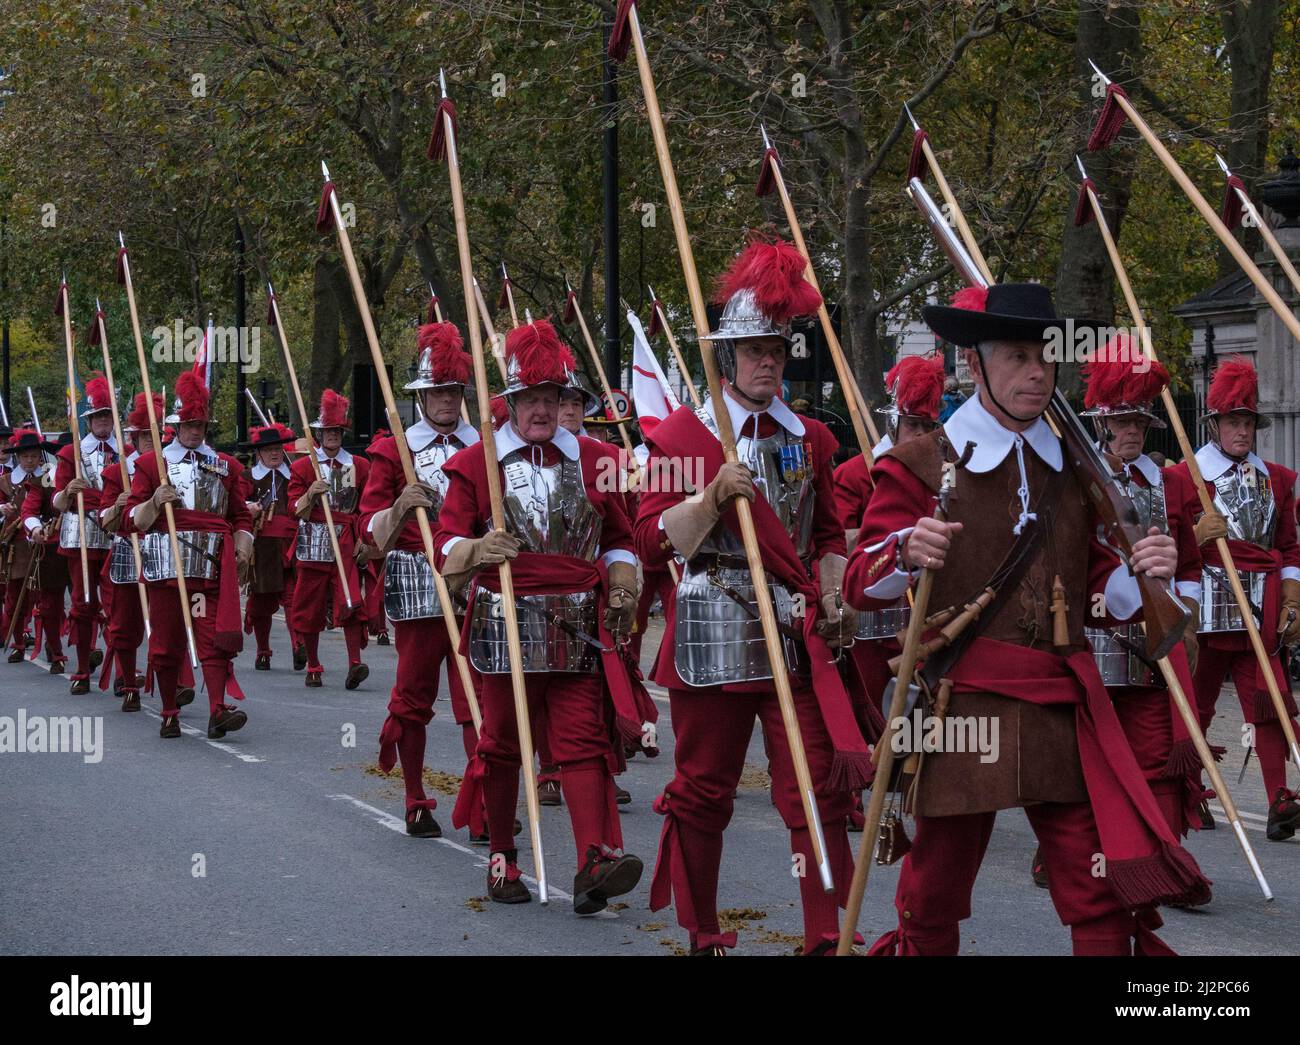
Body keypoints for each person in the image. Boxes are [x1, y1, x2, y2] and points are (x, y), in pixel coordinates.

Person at [845, 283, 1210, 955]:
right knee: (932, 893)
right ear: (974, 366)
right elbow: (859, 580)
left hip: (1055, 704)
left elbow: (1095, 577)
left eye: (1045, 356)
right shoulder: (921, 461)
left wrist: (1143, 572)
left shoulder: (1075, 468)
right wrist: (904, 548)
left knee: (1097, 890)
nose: (1038, 372)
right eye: (1017, 356)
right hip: (960, 704)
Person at [634, 235, 867, 955]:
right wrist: (708, 499)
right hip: (714, 622)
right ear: (727, 356)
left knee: (816, 786)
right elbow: (649, 540)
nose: (770, 359)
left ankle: (827, 932)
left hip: (795, 633)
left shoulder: (814, 440)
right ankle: (703, 928)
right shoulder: (680, 436)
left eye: (780, 346)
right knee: (705, 789)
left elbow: (829, 534)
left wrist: (833, 591)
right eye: (756, 347)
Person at [434, 317, 645, 914]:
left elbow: (620, 536)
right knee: (502, 745)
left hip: (580, 620)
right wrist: (476, 551)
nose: (542, 409)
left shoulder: (600, 458)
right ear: (511, 404)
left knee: (581, 743)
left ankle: (591, 861)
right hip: (503, 621)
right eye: (531, 399)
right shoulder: (478, 462)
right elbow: (445, 545)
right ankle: (502, 857)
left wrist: (624, 577)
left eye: (553, 398)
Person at [1169, 357, 1300, 840]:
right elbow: (1169, 546)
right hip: (1206, 604)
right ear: (1215, 425)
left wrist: (1292, 596)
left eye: (1247, 422)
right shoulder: (1185, 477)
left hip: (1261, 608)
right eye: (1233, 422)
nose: (1242, 431)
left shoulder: (1279, 480)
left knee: (1269, 702)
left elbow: (1287, 544)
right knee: (1196, 707)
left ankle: (1278, 798)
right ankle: (1190, 790)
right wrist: (1195, 537)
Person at [360, 321, 482, 838]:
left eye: (454, 391)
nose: (447, 401)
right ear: (422, 396)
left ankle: (483, 803)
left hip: (475, 580)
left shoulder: (486, 445)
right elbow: (367, 532)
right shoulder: (396, 450)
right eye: (438, 392)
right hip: (418, 581)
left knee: (480, 700)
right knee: (414, 696)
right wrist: (399, 508)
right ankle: (414, 796)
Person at [834, 353, 946, 828]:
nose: (920, 437)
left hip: (920, 615)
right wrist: (891, 541)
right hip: (870, 613)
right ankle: (859, 793)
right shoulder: (856, 473)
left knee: (915, 706)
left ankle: (906, 784)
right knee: (866, 709)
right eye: (912, 425)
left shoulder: (943, 473)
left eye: (928, 427)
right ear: (896, 424)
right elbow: (838, 543)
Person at [126, 371, 254, 739]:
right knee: (166, 642)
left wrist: (243, 542)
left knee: (213, 638)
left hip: (212, 566)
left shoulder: (225, 465)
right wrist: (154, 501)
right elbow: (133, 518)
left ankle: (217, 709)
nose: (195, 431)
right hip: (168, 566)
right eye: (189, 424)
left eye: (201, 424)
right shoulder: (153, 465)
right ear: (176, 424)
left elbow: (240, 514)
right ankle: (169, 710)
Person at [288, 390, 370, 689]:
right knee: (308, 604)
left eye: (337, 431)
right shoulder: (302, 467)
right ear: (319, 434)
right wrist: (310, 493)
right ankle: (313, 664)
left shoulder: (360, 466)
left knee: (350, 600)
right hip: (314, 538)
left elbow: (364, 506)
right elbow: (293, 508)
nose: (332, 436)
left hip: (346, 537)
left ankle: (355, 663)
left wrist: (363, 537)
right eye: (327, 432)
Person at [97, 392, 165, 712]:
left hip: (164, 552)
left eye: (155, 437)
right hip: (128, 550)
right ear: (134, 439)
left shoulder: (171, 469)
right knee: (125, 624)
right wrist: (117, 505)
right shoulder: (116, 472)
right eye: (144, 438)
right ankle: (127, 682)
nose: (151, 443)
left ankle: (173, 683)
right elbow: (103, 520)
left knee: (170, 621)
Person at [50, 374, 117, 694]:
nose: (103, 421)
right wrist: (67, 490)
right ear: (89, 420)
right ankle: (81, 666)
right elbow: (57, 502)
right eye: (98, 416)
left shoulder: (126, 452)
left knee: (120, 605)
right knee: (83, 601)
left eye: (107, 415)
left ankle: (123, 673)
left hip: (118, 533)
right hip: (83, 534)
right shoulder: (70, 453)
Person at [240, 422, 300, 672]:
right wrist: (248, 506)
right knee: (262, 603)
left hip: (291, 546)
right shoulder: (247, 478)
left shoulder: (294, 475)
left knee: (294, 599)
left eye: (277, 448)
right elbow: (237, 503)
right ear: (259, 453)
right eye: (268, 450)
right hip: (262, 550)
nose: (274, 453)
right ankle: (263, 650)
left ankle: (299, 648)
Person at [15, 427, 68, 671]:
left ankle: (90, 651)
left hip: (90, 546)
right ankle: (55, 651)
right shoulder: (45, 479)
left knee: (88, 604)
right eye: (63, 454)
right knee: (51, 604)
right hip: (54, 548)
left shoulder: (92, 476)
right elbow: (29, 511)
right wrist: (36, 528)